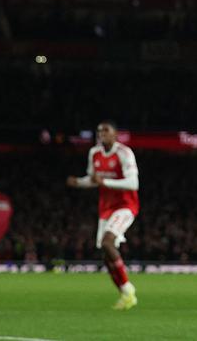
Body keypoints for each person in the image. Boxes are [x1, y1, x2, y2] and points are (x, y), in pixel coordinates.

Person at [65, 120, 139, 310]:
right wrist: (79, 183)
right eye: (99, 131)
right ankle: (125, 293)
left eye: (106, 130)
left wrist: (105, 181)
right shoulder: (94, 153)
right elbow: (93, 180)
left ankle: (129, 289)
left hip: (125, 206)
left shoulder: (124, 153)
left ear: (115, 134)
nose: (102, 133)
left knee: (108, 242)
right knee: (106, 254)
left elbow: (133, 184)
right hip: (105, 208)